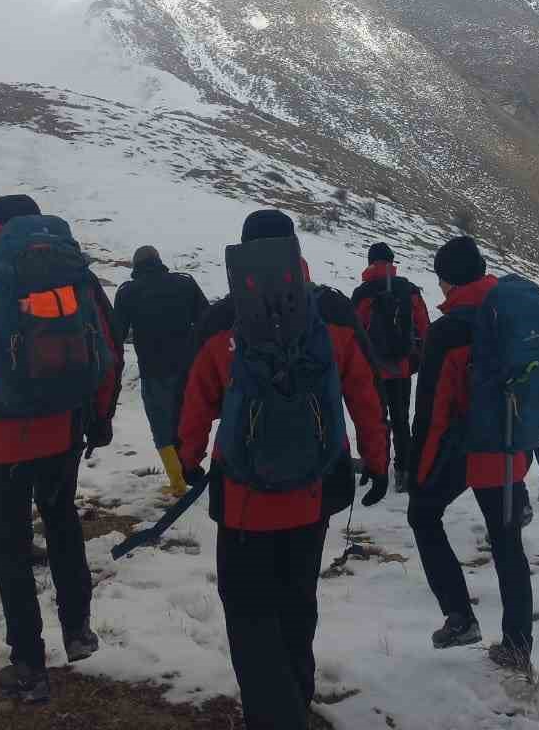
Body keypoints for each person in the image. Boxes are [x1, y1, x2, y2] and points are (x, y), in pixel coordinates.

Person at [178, 209, 389, 730]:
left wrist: (186, 460)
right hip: (316, 488)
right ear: (296, 252)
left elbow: (195, 403)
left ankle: (275, 717)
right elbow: (366, 394)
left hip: (244, 497)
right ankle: (296, 696)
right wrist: (379, 462)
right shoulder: (334, 314)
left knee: (249, 611)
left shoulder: (220, 321)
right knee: (297, 598)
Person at [0, 195, 123, 703]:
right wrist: (100, 417)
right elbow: (110, 351)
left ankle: (30, 666)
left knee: (10, 549)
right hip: (63, 430)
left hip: (0, 439)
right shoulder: (74, 277)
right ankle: (77, 630)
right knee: (61, 522)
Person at [408, 236, 539, 673]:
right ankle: (518, 646)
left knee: (423, 515)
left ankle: (460, 616)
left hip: (466, 450)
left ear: (446, 281)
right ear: (483, 270)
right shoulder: (512, 311)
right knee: (506, 544)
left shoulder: (447, 332)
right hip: (508, 447)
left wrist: (417, 470)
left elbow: (432, 414)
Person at [112, 245, 208, 496]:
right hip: (189, 367)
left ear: (136, 267)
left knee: (162, 427)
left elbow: (115, 335)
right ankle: (192, 467)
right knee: (189, 419)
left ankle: (177, 483)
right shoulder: (184, 283)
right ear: (159, 261)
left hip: (154, 371)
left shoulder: (128, 292)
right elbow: (207, 320)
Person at [350, 242, 430, 491]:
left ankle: (377, 470)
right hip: (402, 368)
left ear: (370, 262)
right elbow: (425, 328)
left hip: (373, 370)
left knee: (377, 419)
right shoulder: (409, 290)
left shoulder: (363, 293)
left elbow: (355, 332)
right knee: (401, 420)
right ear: (392, 262)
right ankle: (403, 472)